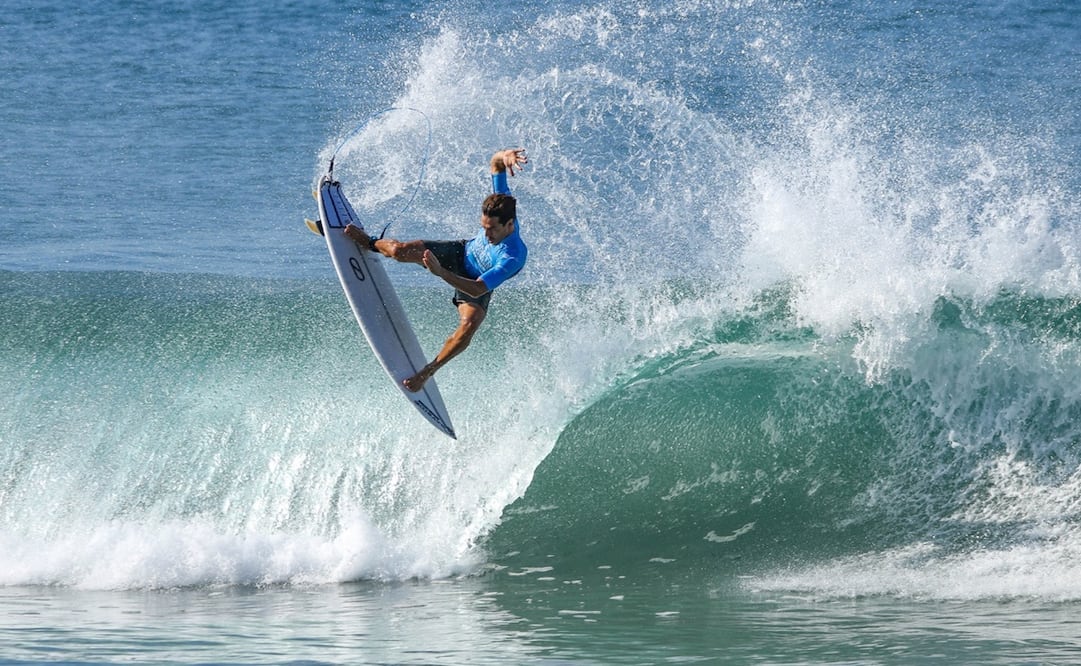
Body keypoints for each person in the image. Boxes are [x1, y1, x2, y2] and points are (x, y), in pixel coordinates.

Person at [344, 147, 529, 392]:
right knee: (400, 251)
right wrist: (502, 156)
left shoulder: (513, 256)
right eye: (483, 227)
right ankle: (369, 242)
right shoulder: (502, 203)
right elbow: (495, 165)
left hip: (475, 281)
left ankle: (427, 372)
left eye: (491, 230)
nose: (486, 234)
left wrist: (440, 272)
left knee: (469, 326)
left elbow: (476, 289)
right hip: (461, 252)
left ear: (509, 225)